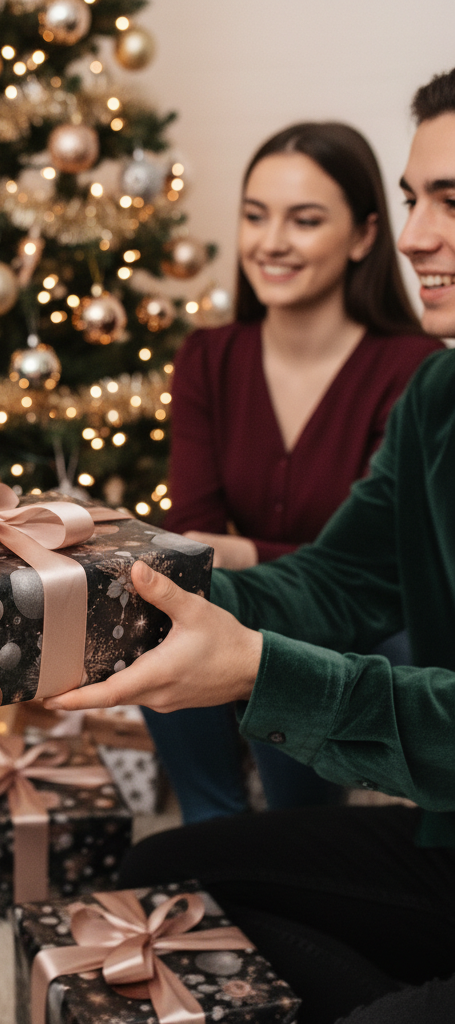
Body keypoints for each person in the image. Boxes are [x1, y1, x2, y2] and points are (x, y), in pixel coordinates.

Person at [46, 68, 455, 1024]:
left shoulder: (400, 367)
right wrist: (140, 592)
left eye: (454, 200)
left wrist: (263, 668)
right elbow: (338, 577)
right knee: (159, 887)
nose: (418, 236)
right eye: (413, 199)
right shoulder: (438, 396)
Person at [146, 121, 442, 823]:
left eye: (304, 220)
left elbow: (385, 568)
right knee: (165, 610)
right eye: (255, 216)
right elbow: (196, 529)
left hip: (373, 626)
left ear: (365, 236)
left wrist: (241, 555)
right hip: (265, 594)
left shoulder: (416, 369)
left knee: (296, 636)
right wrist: (232, 560)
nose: (270, 242)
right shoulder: (210, 356)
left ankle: (297, 832)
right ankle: (211, 828)